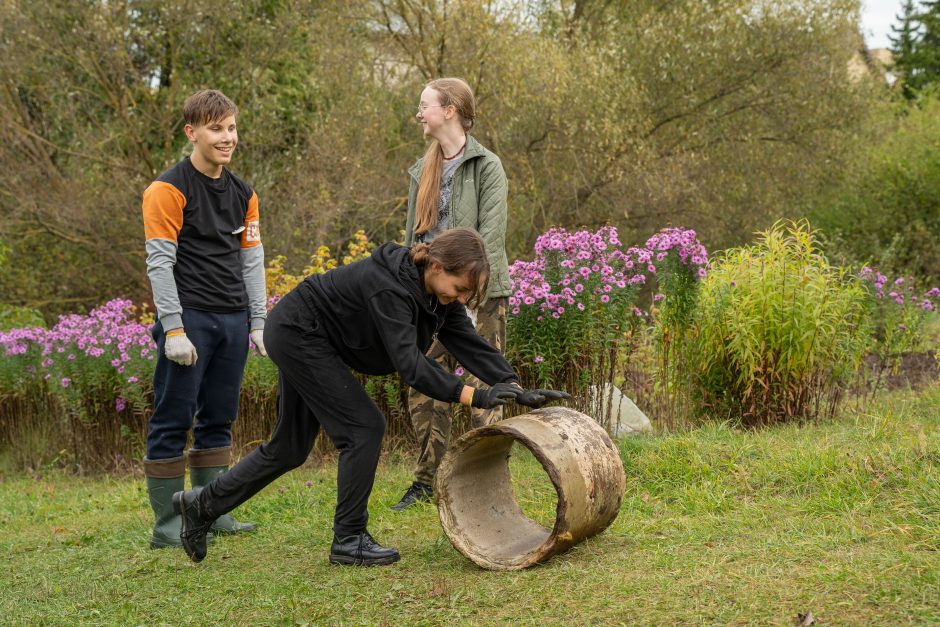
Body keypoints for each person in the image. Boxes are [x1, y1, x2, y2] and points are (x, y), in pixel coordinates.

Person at [171, 228, 568, 566]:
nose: (462, 298)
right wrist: (479, 396)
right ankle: (349, 539)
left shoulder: (436, 295)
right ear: (434, 266)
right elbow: (411, 366)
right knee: (364, 428)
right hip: (298, 332)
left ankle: (201, 505)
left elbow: (466, 342)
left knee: (289, 448)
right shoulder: (390, 289)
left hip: (308, 337)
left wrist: (513, 386)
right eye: (460, 288)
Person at [141, 89, 265, 548]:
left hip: (233, 320)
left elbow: (252, 259)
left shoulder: (244, 194)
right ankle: (169, 526)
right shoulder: (167, 190)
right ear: (192, 133)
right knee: (174, 418)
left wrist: (258, 321)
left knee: (219, 418)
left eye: (231, 127)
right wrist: (173, 327)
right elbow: (159, 262)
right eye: (216, 129)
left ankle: (213, 513)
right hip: (189, 319)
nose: (227, 137)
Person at [392, 77, 513, 511]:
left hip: (478, 293)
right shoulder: (421, 169)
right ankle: (427, 482)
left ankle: (487, 479)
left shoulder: (487, 167)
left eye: (424, 105)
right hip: (429, 295)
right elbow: (412, 238)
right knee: (422, 380)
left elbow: (490, 239)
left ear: (450, 110)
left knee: (485, 382)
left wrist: (466, 292)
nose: (418, 113)